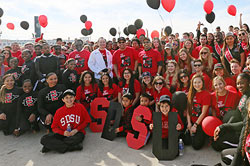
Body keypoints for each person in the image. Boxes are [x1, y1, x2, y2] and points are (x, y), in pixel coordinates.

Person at [40, 89, 91, 153]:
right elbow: (54, 127)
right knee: (44, 139)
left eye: (71, 97)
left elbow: (87, 121)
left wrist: (77, 129)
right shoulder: (59, 111)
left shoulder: (80, 107)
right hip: (63, 133)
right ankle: (71, 147)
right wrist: (63, 133)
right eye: (66, 98)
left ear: (75, 98)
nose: (69, 100)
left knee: (76, 139)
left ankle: (51, 146)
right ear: (63, 100)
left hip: (76, 133)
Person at [213, 73, 250, 152]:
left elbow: (246, 124)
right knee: (216, 140)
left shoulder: (249, 99)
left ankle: (243, 147)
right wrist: (223, 127)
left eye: (242, 83)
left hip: (245, 132)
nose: (239, 86)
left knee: (217, 144)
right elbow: (237, 113)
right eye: (238, 83)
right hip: (239, 127)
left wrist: (225, 127)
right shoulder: (244, 95)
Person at [221, 97, 250, 165]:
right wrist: (224, 126)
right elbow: (239, 150)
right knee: (224, 154)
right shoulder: (248, 121)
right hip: (246, 155)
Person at [186, 74, 211, 150]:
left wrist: (195, 125)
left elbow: (203, 113)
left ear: (202, 83)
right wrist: (189, 123)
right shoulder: (191, 93)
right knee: (186, 141)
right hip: (192, 121)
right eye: (195, 82)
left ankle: (204, 135)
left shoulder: (206, 94)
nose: (197, 85)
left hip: (200, 122)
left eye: (199, 82)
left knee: (196, 146)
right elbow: (188, 109)